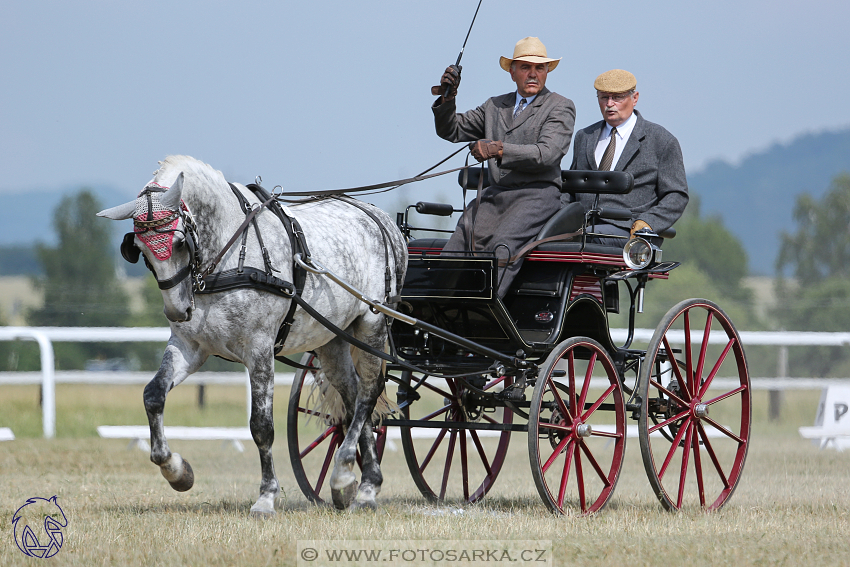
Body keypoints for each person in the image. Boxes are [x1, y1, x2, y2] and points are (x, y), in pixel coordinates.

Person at [432, 36, 575, 297]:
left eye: (539, 68)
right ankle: (435, 312)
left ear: (546, 72)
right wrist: (448, 98)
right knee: (459, 242)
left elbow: (548, 153)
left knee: (502, 248)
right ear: (512, 73)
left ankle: (481, 316)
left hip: (537, 196)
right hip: (496, 195)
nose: (533, 74)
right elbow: (451, 131)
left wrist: (499, 149)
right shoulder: (494, 106)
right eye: (525, 67)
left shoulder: (560, 106)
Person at [568, 69, 688, 245]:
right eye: (603, 97)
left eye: (617, 97)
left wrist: (648, 222)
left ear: (635, 98)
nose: (610, 104)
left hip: (629, 230)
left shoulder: (661, 140)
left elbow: (676, 195)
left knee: (584, 239)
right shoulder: (584, 137)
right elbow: (571, 189)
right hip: (583, 226)